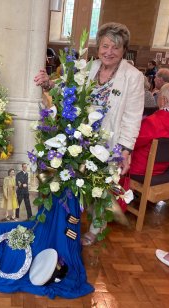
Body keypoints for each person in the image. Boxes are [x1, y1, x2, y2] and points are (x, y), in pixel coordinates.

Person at [34, 22, 144, 245]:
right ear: (97, 47)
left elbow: (133, 116)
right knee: (81, 181)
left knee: (101, 186)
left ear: (124, 50)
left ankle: (96, 227)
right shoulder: (91, 68)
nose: (109, 52)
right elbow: (67, 88)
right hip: (82, 137)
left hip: (109, 141)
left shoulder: (132, 77)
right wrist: (48, 84)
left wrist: (125, 150)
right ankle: (73, 220)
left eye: (115, 47)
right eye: (105, 46)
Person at [130, 83, 169, 176]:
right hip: (163, 171)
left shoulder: (153, 122)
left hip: (141, 170)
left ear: (163, 100)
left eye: (159, 95)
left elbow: (133, 143)